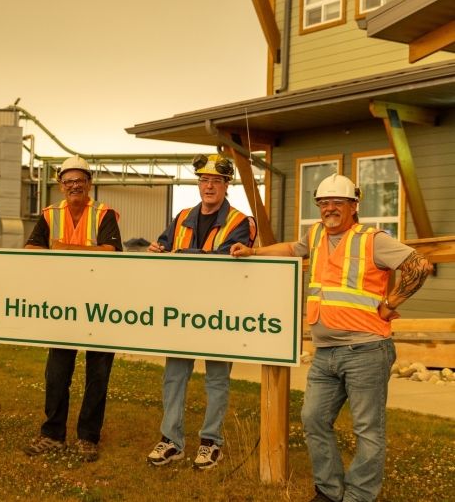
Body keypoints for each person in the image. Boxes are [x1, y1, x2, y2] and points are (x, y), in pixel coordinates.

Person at [231, 173, 431, 502]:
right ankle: (328, 491)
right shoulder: (316, 236)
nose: (329, 208)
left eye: (337, 202)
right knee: (313, 418)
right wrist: (254, 251)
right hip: (325, 353)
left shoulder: (372, 239)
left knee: (367, 429)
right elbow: (293, 248)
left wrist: (391, 304)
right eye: (323, 203)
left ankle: (359, 496)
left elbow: (420, 265)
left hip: (365, 349)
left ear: (354, 206)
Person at [146, 153, 256, 470]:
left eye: (216, 181)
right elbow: (164, 247)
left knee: (217, 379)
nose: (209, 186)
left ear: (226, 185)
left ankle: (211, 443)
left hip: (221, 314)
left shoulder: (241, 222)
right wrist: (157, 250)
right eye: (204, 180)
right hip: (182, 311)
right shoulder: (181, 217)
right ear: (198, 184)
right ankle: (171, 442)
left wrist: (176, 254)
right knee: (174, 377)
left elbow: (220, 260)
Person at [22, 155, 122, 462]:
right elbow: (31, 248)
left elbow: (110, 252)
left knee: (98, 374)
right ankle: (52, 435)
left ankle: (88, 437)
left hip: (100, 305)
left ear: (90, 184)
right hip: (64, 306)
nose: (74, 186)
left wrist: (66, 249)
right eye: (68, 182)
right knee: (57, 373)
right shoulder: (50, 214)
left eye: (80, 181)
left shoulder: (104, 214)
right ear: (60, 185)